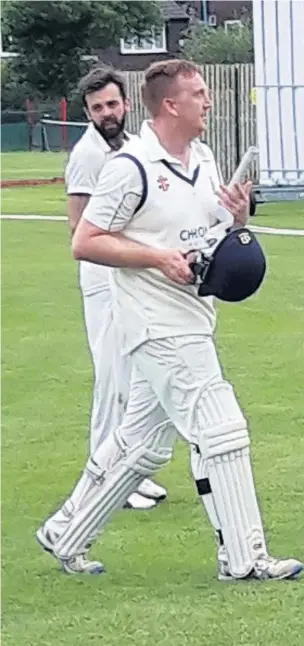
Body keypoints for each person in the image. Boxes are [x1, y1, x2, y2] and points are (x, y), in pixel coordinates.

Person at [51, 59, 302, 580]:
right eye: (199, 94)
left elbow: (209, 229)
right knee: (222, 429)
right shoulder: (131, 166)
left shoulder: (204, 157)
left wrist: (237, 217)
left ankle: (65, 533)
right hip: (154, 321)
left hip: (194, 313)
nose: (208, 102)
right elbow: (85, 241)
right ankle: (245, 560)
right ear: (170, 104)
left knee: (141, 444)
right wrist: (157, 259)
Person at [36, 66, 167, 573]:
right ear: (87, 113)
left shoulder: (132, 144)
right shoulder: (88, 155)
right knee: (113, 381)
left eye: (112, 105)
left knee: (137, 380)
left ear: (125, 104)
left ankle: (131, 473)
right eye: (97, 109)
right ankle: (107, 480)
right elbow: (77, 228)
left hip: (130, 274)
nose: (107, 114)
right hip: (103, 279)